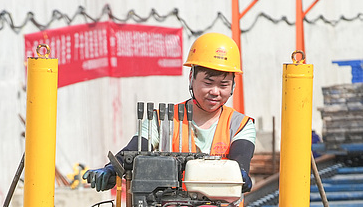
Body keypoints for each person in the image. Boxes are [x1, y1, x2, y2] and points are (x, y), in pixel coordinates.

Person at [84, 32, 257, 193]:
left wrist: (241, 175)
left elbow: (240, 164)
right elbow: (132, 152)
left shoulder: (240, 125)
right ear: (191, 78)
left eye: (223, 85)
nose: (215, 91)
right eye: (208, 82)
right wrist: (111, 169)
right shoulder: (161, 121)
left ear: (232, 85)